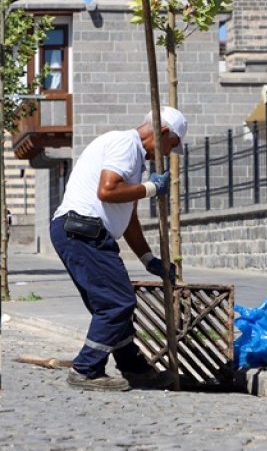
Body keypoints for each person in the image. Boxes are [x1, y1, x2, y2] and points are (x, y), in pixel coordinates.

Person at [50, 107, 187, 391]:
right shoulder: (126, 144)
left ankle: (133, 367)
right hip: (82, 230)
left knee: (111, 303)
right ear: (162, 134)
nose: (166, 156)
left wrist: (148, 259)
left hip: (85, 232)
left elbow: (129, 218)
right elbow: (107, 191)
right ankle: (86, 369)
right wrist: (149, 188)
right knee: (117, 302)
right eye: (170, 147)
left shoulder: (136, 159)